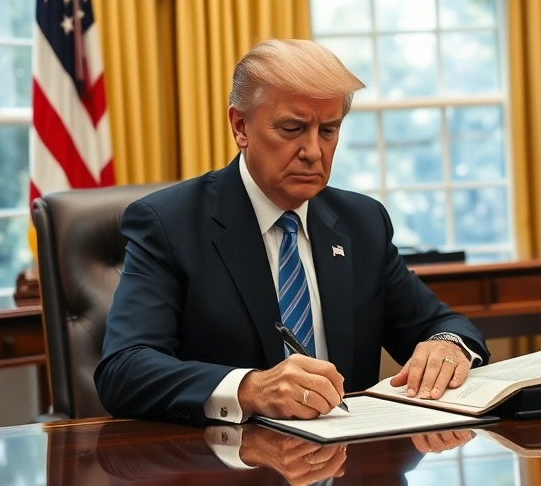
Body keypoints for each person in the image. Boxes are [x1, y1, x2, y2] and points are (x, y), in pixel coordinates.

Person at [96, 39, 490, 426]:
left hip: (352, 453)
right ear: (240, 126)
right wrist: (249, 389)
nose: (313, 152)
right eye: (292, 128)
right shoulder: (169, 224)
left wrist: (446, 346)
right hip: (225, 455)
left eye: (328, 131)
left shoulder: (362, 222)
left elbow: (445, 326)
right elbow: (124, 369)